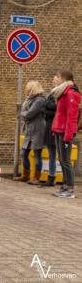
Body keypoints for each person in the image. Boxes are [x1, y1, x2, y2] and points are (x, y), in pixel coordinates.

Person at [51, 70, 80, 198]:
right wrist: (54, 128)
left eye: (57, 76)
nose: (54, 78)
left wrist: (68, 135)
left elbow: (72, 116)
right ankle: (64, 186)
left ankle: (70, 189)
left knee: (66, 160)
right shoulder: (62, 93)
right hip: (59, 130)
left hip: (65, 132)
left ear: (64, 79)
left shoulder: (70, 93)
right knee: (61, 160)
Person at [14, 82, 46, 184]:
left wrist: (21, 113)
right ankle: (26, 175)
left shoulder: (40, 100)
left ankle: (36, 177)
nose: (26, 89)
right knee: (23, 153)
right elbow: (26, 114)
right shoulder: (30, 99)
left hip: (38, 129)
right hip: (29, 129)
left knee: (37, 154)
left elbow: (30, 114)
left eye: (27, 88)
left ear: (33, 88)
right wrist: (23, 114)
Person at [40, 75, 61, 188]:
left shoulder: (60, 94)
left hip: (57, 128)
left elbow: (55, 108)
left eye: (55, 79)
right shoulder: (51, 94)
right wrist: (48, 108)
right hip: (49, 127)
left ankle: (64, 179)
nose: (53, 81)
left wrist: (47, 106)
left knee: (61, 156)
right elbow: (46, 109)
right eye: (53, 79)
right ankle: (51, 177)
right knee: (52, 153)